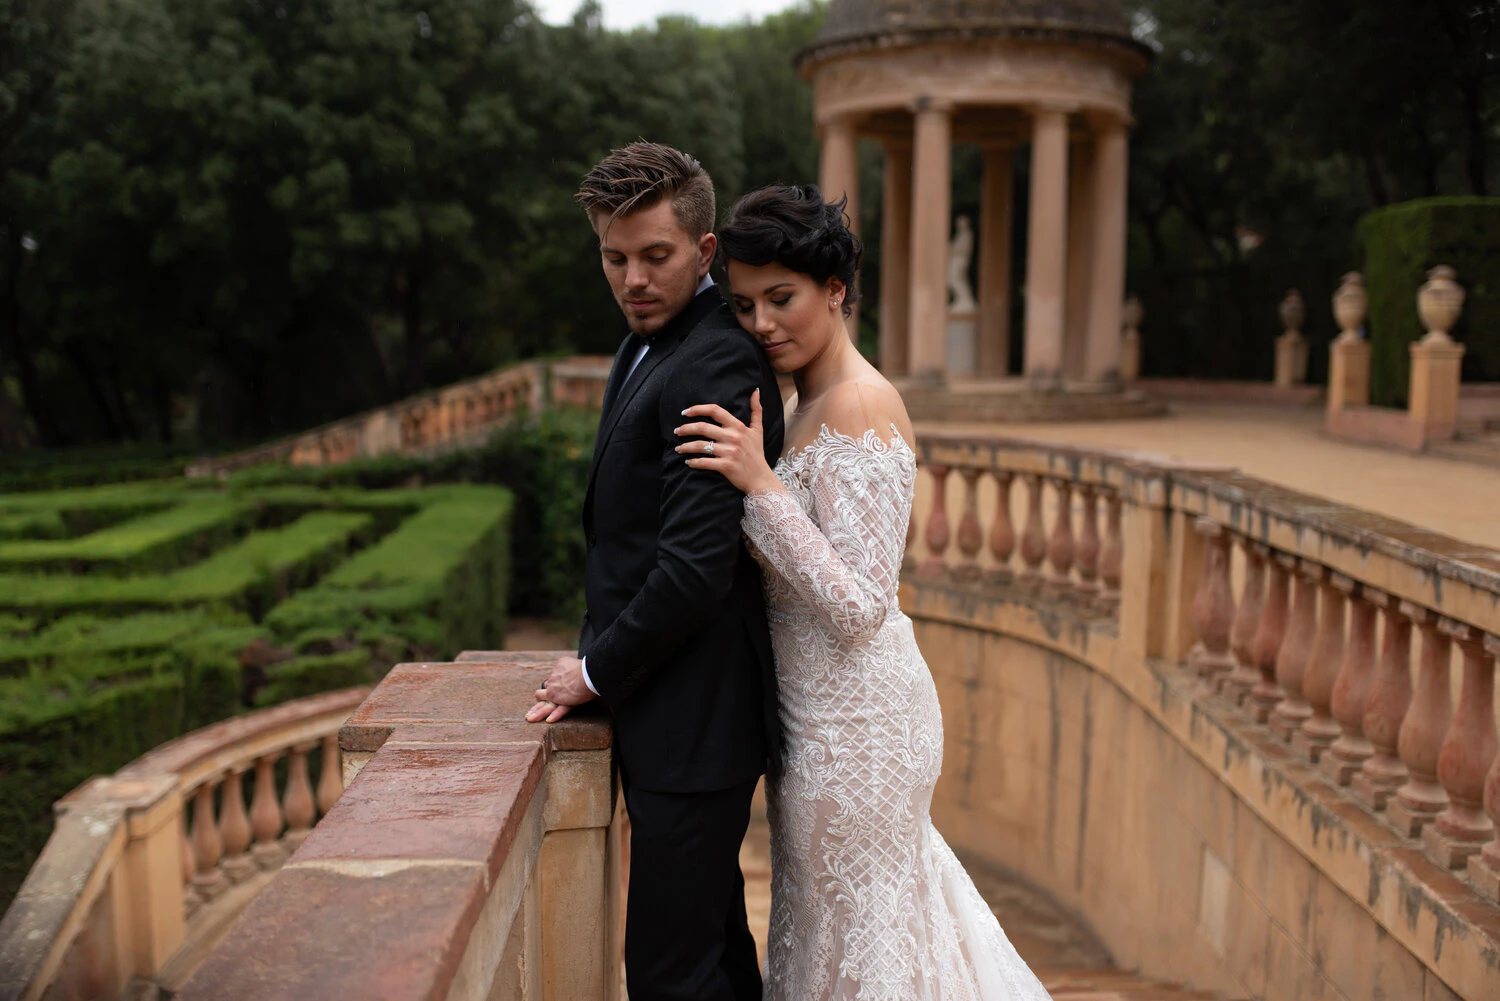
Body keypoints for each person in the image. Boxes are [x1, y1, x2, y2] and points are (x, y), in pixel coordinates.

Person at [672, 184, 1052, 1000]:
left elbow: (860, 605)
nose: (761, 323)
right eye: (745, 304)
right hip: (813, 719)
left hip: (863, 728)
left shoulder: (860, 401)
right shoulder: (802, 399)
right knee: (829, 930)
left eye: (782, 298)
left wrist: (759, 486)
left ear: (835, 290)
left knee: (864, 934)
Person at [525, 142, 785, 1001]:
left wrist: (594, 669)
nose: (633, 279)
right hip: (673, 716)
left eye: (655, 255)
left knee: (671, 976)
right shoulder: (648, 341)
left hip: (695, 726)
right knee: (712, 958)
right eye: (614, 257)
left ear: (705, 251)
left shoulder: (714, 359)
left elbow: (693, 569)